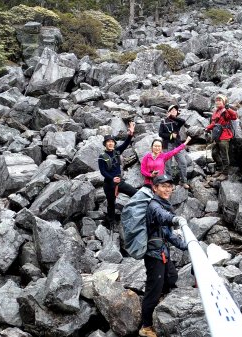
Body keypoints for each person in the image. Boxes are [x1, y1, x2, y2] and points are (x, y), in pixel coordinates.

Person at [139, 174, 188, 337]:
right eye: (163, 186)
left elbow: (167, 233)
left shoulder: (162, 203)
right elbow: (163, 217)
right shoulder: (155, 206)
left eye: (169, 186)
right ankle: (146, 327)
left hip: (162, 251)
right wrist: (175, 219)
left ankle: (160, 301)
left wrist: (185, 246)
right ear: (155, 188)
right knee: (153, 289)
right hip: (154, 255)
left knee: (172, 276)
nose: (167, 189)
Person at [98, 122, 138, 227]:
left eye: (112, 142)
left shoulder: (117, 152)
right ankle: (110, 222)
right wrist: (112, 178)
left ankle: (135, 213)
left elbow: (125, 144)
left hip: (119, 182)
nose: (110, 143)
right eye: (108, 142)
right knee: (111, 204)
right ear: (105, 144)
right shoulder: (101, 156)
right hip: (109, 184)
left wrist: (130, 134)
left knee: (135, 193)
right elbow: (103, 172)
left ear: (114, 143)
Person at [204, 94, 238, 181]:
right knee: (214, 153)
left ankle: (225, 173)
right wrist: (207, 128)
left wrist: (228, 108)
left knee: (224, 155)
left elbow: (234, 117)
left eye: (220, 100)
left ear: (224, 102)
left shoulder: (226, 110)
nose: (218, 101)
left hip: (225, 136)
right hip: (217, 136)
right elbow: (214, 123)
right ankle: (220, 169)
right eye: (217, 100)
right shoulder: (216, 111)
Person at [158, 105, 190, 189]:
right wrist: (170, 135)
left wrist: (172, 116)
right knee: (168, 165)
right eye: (171, 110)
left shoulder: (177, 121)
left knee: (183, 162)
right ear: (168, 112)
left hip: (177, 145)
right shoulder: (163, 121)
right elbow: (160, 134)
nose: (173, 111)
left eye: (175, 110)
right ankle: (169, 183)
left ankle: (183, 181)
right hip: (167, 145)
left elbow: (183, 121)